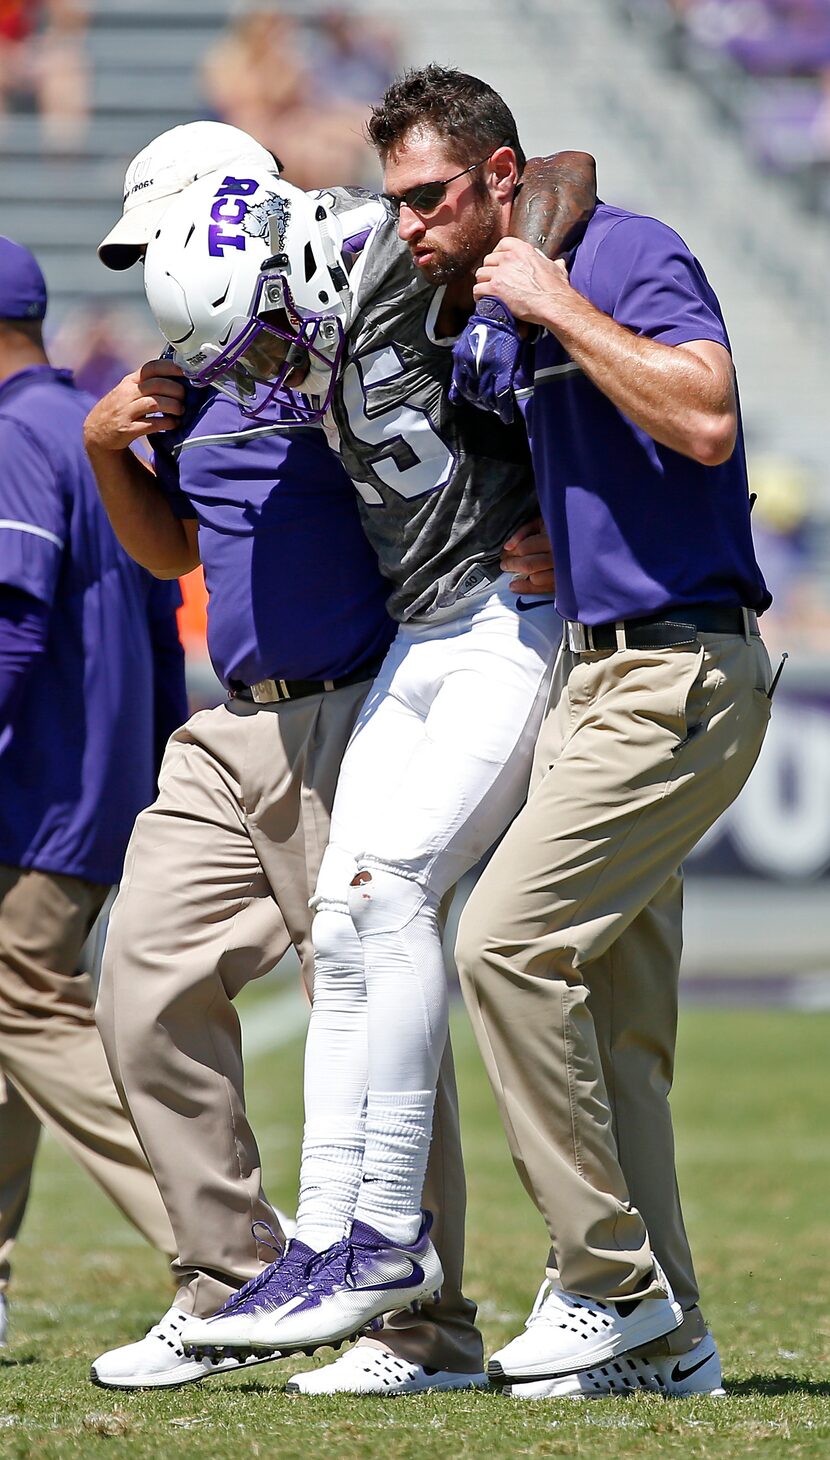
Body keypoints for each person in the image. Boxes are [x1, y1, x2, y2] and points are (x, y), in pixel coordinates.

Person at [84, 120, 578, 1395]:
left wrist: (537, 516)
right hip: (230, 711)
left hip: (361, 688)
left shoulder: (351, 274)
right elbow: (180, 553)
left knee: (373, 950)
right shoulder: (217, 345)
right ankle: (237, 1278)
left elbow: (547, 186)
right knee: (140, 987)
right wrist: (108, 449)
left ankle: (418, 1320)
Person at [439, 64, 773, 1398]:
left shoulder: (621, 254)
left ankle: (601, 1282)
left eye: (429, 198)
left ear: (495, 181)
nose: (410, 227)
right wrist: (543, 540)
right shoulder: (492, 294)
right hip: (593, 669)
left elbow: (700, 414)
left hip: (673, 671)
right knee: (619, 1028)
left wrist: (554, 296)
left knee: (504, 947)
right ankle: (671, 1340)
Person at [0, 236, 181, 1351]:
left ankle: (225, 1241)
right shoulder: (83, 427)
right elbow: (161, 610)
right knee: (13, 1016)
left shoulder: (16, 434)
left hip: (39, 787)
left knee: (26, 1004)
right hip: (97, 777)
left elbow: (11, 622)